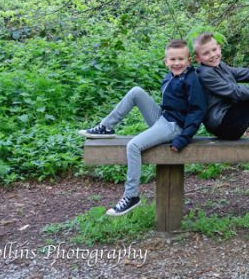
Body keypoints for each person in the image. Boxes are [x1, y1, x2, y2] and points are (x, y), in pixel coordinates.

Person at [78, 39, 207, 216]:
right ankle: (106, 127)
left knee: (133, 146)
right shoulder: (171, 76)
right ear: (166, 61)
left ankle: (131, 196)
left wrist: (183, 138)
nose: (177, 63)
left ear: (189, 60)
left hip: (174, 127)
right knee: (136, 91)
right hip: (164, 119)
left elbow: (197, 111)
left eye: (181, 59)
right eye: (173, 59)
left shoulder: (191, 80)